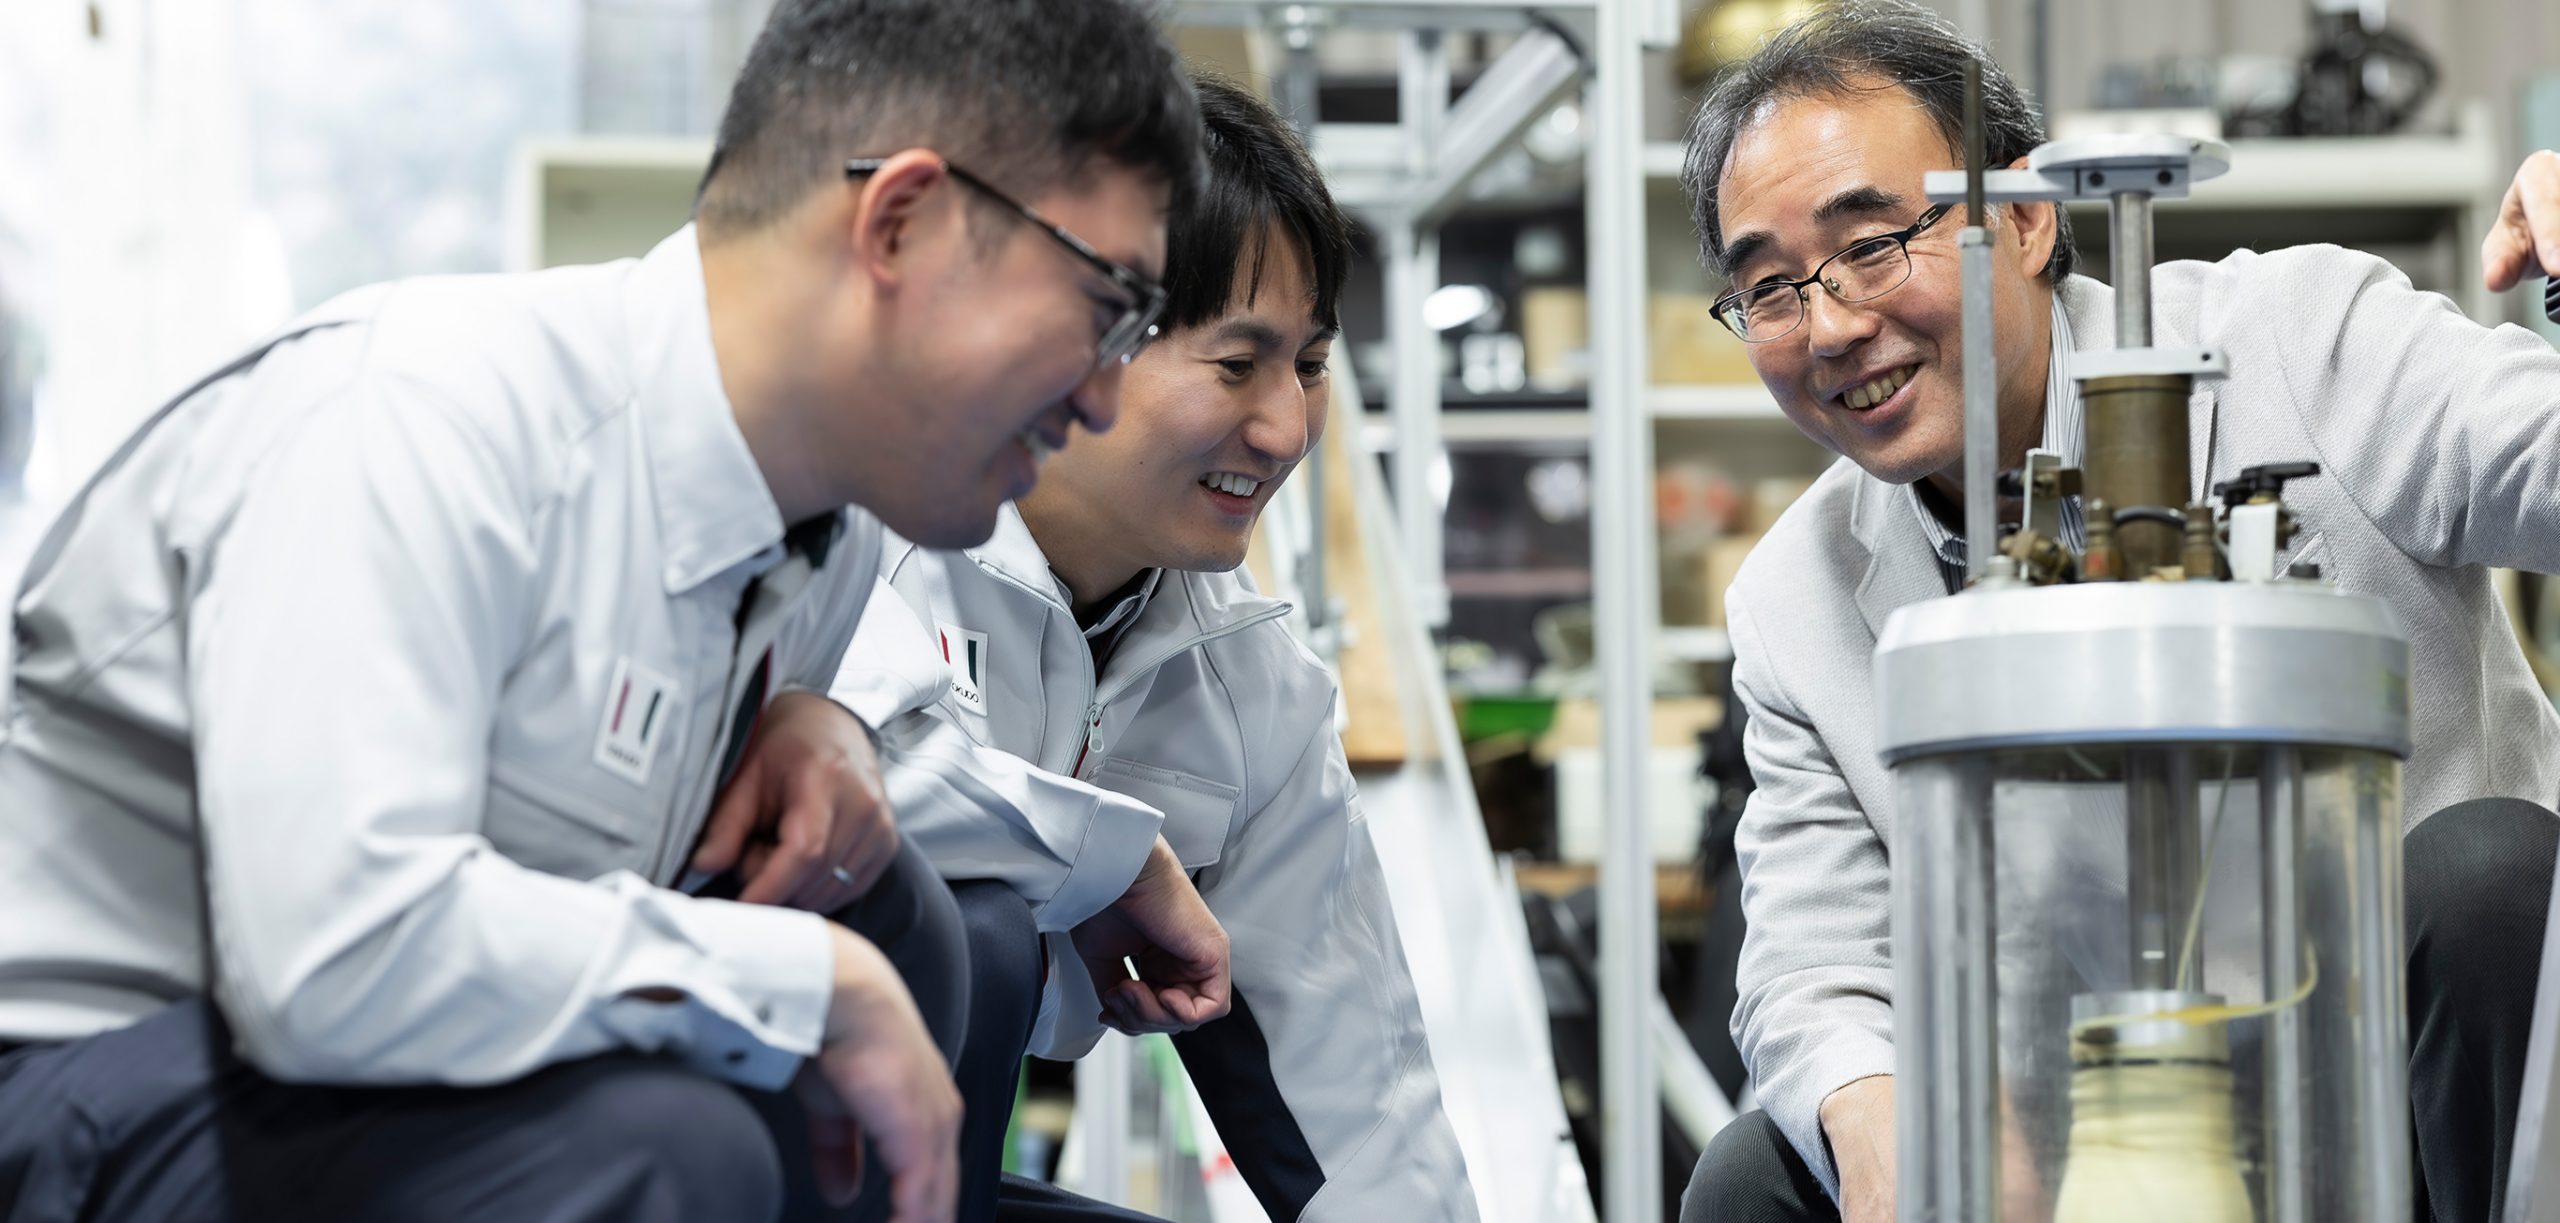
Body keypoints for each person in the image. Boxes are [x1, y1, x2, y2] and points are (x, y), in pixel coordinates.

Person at [0, 3, 1200, 1221]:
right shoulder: (421, 417)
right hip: (98, 1088)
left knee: (907, 924)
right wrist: (809, 981)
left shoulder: (819, 535)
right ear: (903, 224)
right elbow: (334, 955)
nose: (1105, 400)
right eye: (1107, 309)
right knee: (676, 1133)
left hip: (367, 1088)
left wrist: (821, 726)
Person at [1669, 4, 2560, 1222]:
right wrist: (1871, 1110)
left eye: (1872, 245)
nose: (1830, 325)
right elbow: (1815, 961)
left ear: (2027, 217)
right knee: (1753, 1179)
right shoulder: (1793, 598)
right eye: (1770, 289)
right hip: (2082, 1143)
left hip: (2410, 1096)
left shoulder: (2308, 342)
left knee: (2486, 873)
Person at [829, 76, 1480, 1222]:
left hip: (933, 1182)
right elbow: (824, 791)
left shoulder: (1247, 682)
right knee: (972, 926)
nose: (1285, 429)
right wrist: (1107, 858)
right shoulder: (857, 537)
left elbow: (1356, 1096)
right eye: (1236, 363)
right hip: (698, 1146)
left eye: (1310, 364)